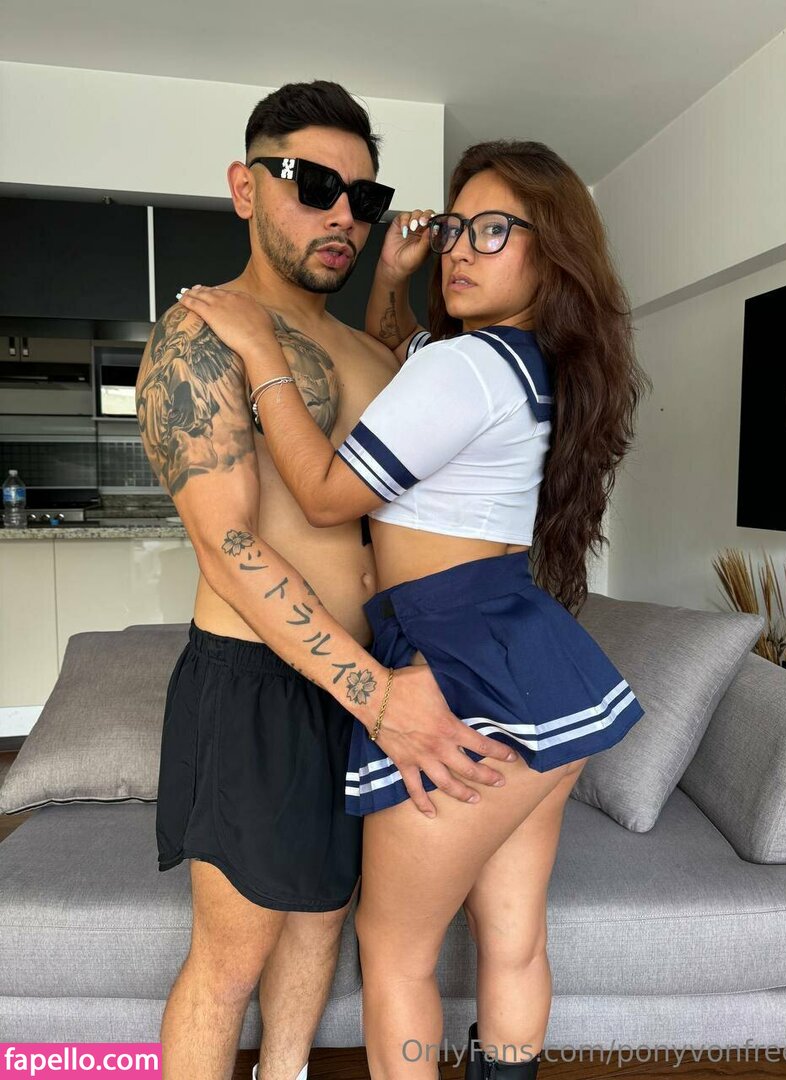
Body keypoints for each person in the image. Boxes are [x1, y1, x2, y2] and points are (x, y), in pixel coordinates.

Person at [178, 137, 652, 1079]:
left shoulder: (467, 367)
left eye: (493, 230)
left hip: (455, 667)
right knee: (513, 939)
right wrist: (392, 282)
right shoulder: (523, 364)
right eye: (454, 231)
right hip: (533, 659)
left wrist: (262, 348)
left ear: (551, 250)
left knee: (395, 952)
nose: (461, 250)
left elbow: (325, 495)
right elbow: (401, 364)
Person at [136, 81, 518, 1080]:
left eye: (364, 195)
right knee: (231, 962)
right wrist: (377, 695)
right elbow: (228, 544)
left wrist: (391, 282)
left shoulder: (361, 348)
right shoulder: (204, 334)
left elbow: (388, 449)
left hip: (365, 676)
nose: (343, 212)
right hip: (259, 681)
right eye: (312, 184)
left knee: (321, 920)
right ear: (245, 188)